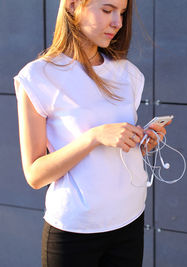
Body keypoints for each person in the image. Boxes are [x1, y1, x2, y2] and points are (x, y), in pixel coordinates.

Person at [14, 0, 168, 266]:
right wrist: (94, 137)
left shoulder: (128, 74)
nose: (117, 22)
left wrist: (141, 142)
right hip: (75, 233)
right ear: (73, 5)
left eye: (121, 13)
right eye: (107, 10)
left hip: (129, 220)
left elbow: (114, 153)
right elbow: (35, 175)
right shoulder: (39, 76)